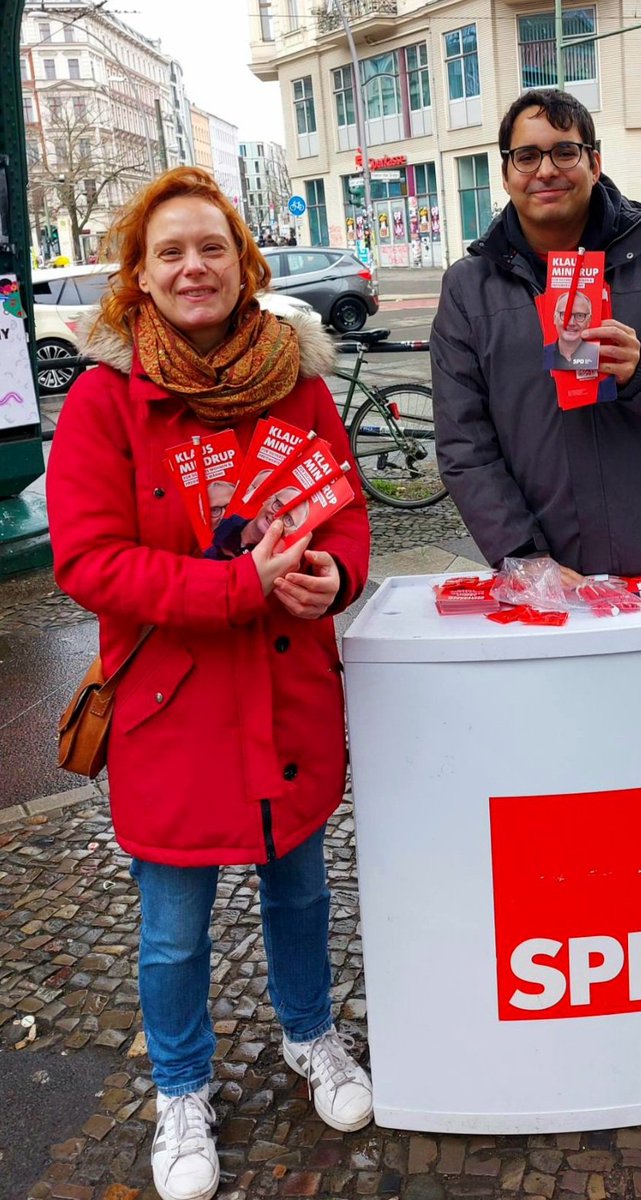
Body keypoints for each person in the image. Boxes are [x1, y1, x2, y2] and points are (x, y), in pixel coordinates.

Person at [46, 166, 373, 1200]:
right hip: (171, 707)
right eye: (171, 251)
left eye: (213, 248)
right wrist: (237, 586)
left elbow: (349, 514)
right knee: (174, 928)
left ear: (245, 265)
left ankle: (309, 1033)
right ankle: (182, 1087)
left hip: (288, 698)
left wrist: (335, 577)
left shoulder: (301, 385)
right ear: (138, 278)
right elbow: (89, 561)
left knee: (302, 891)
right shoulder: (107, 402)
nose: (195, 266)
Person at [431, 89, 641, 580]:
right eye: (527, 156)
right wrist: (523, 558)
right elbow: (463, 443)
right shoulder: (468, 288)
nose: (545, 170)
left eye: (564, 151)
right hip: (543, 572)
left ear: (594, 162)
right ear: (506, 173)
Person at [542, 290, 600, 371]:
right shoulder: (540, 355)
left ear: (589, 321)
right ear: (555, 318)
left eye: (580, 315)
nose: (571, 323)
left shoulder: (599, 355)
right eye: (565, 315)